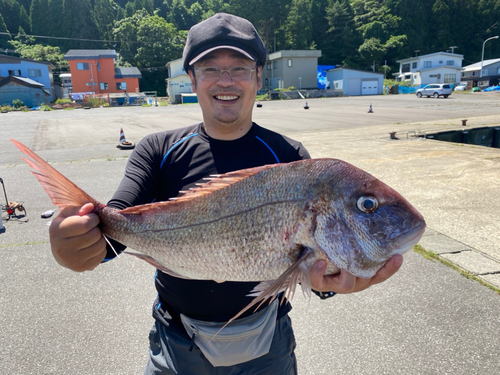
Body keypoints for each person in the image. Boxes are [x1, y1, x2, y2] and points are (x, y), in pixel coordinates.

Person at [49, 13, 403, 375]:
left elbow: (311, 269)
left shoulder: (291, 159)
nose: (226, 81)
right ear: (191, 78)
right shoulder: (157, 150)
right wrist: (77, 245)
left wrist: (330, 283)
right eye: (209, 68)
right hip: (176, 342)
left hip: (268, 343)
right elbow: (113, 233)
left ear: (259, 77)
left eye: (240, 68)